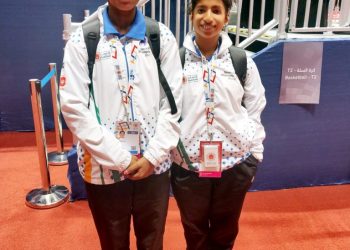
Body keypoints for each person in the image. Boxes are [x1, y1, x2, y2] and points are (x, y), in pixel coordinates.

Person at [59, 0, 182, 249]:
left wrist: (152, 156)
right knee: (112, 243)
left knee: (152, 241)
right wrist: (120, 158)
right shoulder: (83, 38)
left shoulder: (160, 36)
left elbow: (174, 104)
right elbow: (74, 108)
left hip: (153, 166)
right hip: (102, 168)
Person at [171, 0, 266, 249]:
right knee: (194, 232)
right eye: (201, 10)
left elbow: (256, 108)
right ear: (191, 15)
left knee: (225, 233)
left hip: (234, 165)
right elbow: (166, 110)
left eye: (216, 10)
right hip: (188, 165)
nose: (208, 17)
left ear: (226, 18)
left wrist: (254, 154)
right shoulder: (175, 62)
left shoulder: (241, 61)